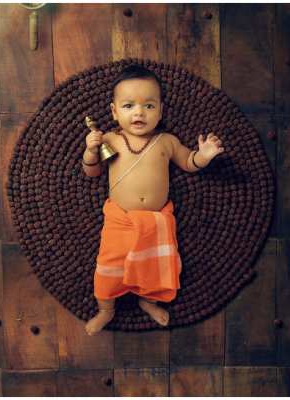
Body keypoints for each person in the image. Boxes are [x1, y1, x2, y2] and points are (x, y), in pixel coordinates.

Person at [82, 64, 225, 335]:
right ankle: (106, 309)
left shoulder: (166, 142)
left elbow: (188, 162)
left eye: (148, 106)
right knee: (108, 268)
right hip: (120, 221)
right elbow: (92, 172)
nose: (139, 112)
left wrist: (203, 156)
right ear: (114, 112)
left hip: (155, 222)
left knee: (155, 268)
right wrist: (91, 151)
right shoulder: (111, 139)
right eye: (128, 106)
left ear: (160, 110)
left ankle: (148, 301)